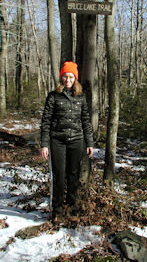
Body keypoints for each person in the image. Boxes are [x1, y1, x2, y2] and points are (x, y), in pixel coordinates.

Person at [40, 61, 94, 221]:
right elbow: (46, 121)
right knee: (59, 174)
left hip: (76, 141)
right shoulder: (53, 96)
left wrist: (89, 143)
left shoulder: (81, 97)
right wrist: (44, 144)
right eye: (65, 76)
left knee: (73, 174)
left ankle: (72, 207)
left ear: (75, 78)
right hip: (57, 141)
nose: (68, 79)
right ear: (61, 78)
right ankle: (57, 209)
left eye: (70, 77)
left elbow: (85, 120)